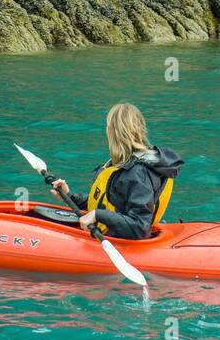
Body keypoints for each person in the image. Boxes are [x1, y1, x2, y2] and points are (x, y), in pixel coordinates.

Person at [51, 102, 183, 240]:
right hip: (110, 235)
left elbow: (139, 227)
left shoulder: (138, 173)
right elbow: (110, 202)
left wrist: (97, 214)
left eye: (108, 127)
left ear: (113, 133)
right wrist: (70, 197)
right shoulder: (123, 164)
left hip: (124, 243)